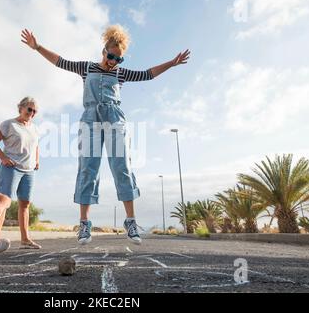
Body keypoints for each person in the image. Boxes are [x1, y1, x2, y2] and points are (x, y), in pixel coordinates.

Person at [21, 25, 190, 245]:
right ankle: (84, 224)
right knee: (88, 167)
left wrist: (172, 63)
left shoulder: (120, 73)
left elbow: (148, 74)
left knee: (122, 166)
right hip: (90, 118)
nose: (113, 61)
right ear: (104, 51)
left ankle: (130, 221)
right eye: (111, 56)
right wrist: (37, 47)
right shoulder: (86, 68)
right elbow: (60, 61)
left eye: (118, 59)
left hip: (114, 118)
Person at [0, 97, 41, 249]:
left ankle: (25, 240)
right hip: (11, 168)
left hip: (29, 170)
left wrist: (37, 160)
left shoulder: (35, 128)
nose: (32, 113)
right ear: (21, 108)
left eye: (35, 111)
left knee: (25, 204)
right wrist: (3, 157)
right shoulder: (8, 124)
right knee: (3, 202)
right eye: (29, 109)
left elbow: (36, 145)